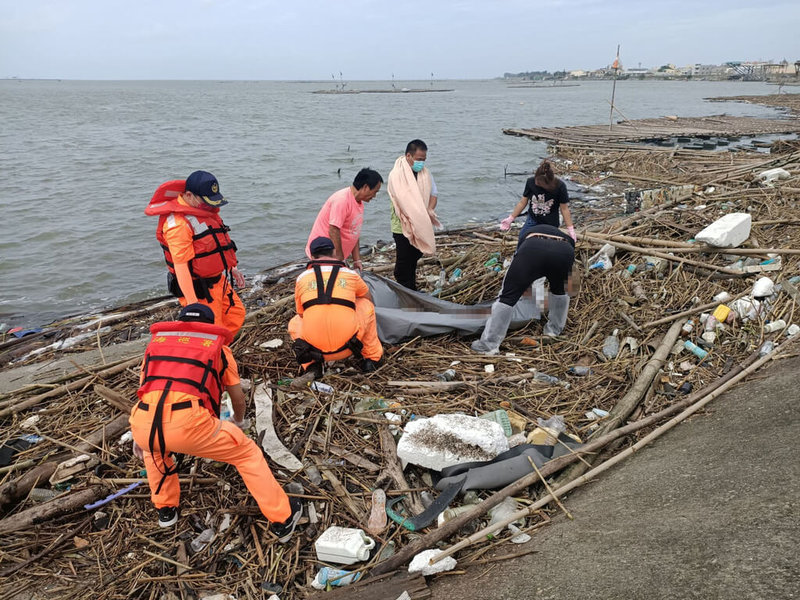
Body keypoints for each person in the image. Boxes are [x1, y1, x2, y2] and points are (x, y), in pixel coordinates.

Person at [129, 303, 302, 541]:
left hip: (143, 419)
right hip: (189, 423)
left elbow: (145, 389)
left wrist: (140, 435)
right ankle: (283, 518)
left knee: (155, 452)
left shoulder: (156, 347)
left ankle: (166, 510)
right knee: (246, 453)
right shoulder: (218, 349)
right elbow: (237, 397)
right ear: (209, 326)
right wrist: (237, 422)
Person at [145, 171, 246, 337]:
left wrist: (231, 267)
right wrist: (193, 304)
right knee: (212, 332)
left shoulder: (202, 213)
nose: (211, 207)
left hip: (218, 281)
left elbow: (216, 245)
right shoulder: (177, 225)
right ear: (189, 195)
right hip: (200, 290)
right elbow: (181, 266)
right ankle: (216, 357)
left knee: (235, 315)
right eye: (206, 202)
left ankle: (220, 351)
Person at [471, 224, 575, 354]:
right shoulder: (565, 237)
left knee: (507, 297)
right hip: (564, 251)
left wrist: (519, 287)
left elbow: (520, 259)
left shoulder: (526, 233)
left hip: (532, 249)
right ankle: (553, 332)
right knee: (559, 291)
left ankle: (489, 345)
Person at [289, 236, 384, 376]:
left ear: (312, 256)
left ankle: (311, 365)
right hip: (349, 347)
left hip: (317, 352)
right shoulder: (351, 275)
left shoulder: (302, 278)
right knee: (366, 305)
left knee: (295, 322)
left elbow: (301, 313)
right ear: (334, 252)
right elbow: (367, 298)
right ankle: (372, 359)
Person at [387, 139, 441, 290]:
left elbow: (434, 193)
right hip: (402, 225)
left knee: (414, 257)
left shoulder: (425, 174)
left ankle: (411, 289)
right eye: (419, 160)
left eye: (424, 160)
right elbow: (403, 201)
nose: (421, 163)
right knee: (403, 264)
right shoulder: (397, 175)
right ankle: (406, 293)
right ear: (408, 156)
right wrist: (416, 216)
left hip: (422, 223)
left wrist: (430, 209)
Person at [305, 169, 383, 270]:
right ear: (365, 187)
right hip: (323, 254)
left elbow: (354, 231)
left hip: (337, 257)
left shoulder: (359, 202)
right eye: (374, 192)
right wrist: (339, 260)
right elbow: (333, 230)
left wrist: (356, 260)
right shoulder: (342, 200)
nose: (374, 196)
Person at [500, 160, 576, 246]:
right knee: (522, 238)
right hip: (533, 220)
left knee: (547, 244)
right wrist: (510, 218)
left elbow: (564, 209)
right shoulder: (530, 182)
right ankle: (518, 255)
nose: (537, 184)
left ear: (548, 183)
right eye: (537, 181)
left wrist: (570, 229)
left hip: (550, 223)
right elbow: (522, 202)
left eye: (540, 183)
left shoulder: (560, 186)